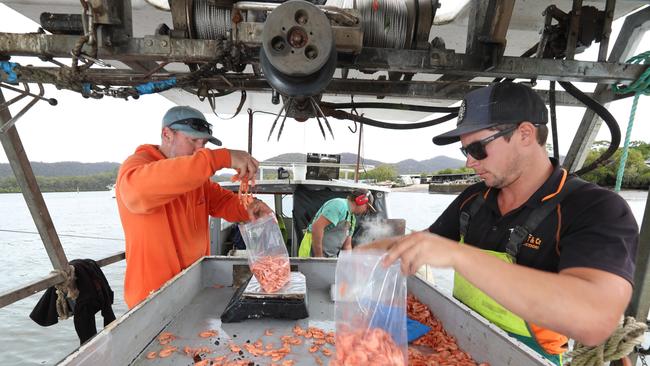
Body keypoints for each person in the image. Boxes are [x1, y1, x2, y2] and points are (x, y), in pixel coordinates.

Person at [362, 82, 638, 365]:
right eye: (465, 151)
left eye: (478, 149)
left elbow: (594, 320)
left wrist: (459, 256)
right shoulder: (474, 198)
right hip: (456, 348)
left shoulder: (594, 208)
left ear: (525, 134)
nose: (470, 162)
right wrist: (362, 257)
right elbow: (420, 246)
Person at [115, 105, 272, 308]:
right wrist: (221, 157)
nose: (200, 149)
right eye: (193, 140)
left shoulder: (196, 178)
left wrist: (248, 207)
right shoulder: (136, 167)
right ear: (167, 134)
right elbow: (137, 194)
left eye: (204, 143)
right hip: (151, 298)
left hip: (194, 288)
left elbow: (223, 201)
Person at [298, 189, 376, 258]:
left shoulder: (352, 219)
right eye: (367, 207)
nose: (366, 211)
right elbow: (317, 227)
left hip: (329, 257)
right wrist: (319, 256)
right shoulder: (339, 205)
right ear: (361, 200)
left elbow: (347, 245)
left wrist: (350, 263)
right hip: (311, 254)